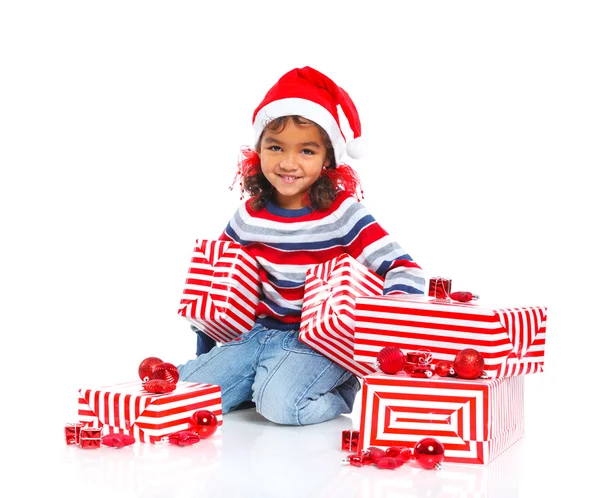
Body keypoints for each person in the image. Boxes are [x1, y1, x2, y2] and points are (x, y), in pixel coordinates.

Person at [177, 66, 426, 426]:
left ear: (327, 158)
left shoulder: (342, 214)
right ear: (258, 151)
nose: (288, 163)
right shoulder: (247, 217)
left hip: (319, 344)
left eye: (306, 151)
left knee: (280, 408)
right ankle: (259, 381)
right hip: (257, 334)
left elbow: (404, 269)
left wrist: (382, 329)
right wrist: (208, 338)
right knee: (186, 392)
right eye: (275, 147)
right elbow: (216, 283)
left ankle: (337, 391)